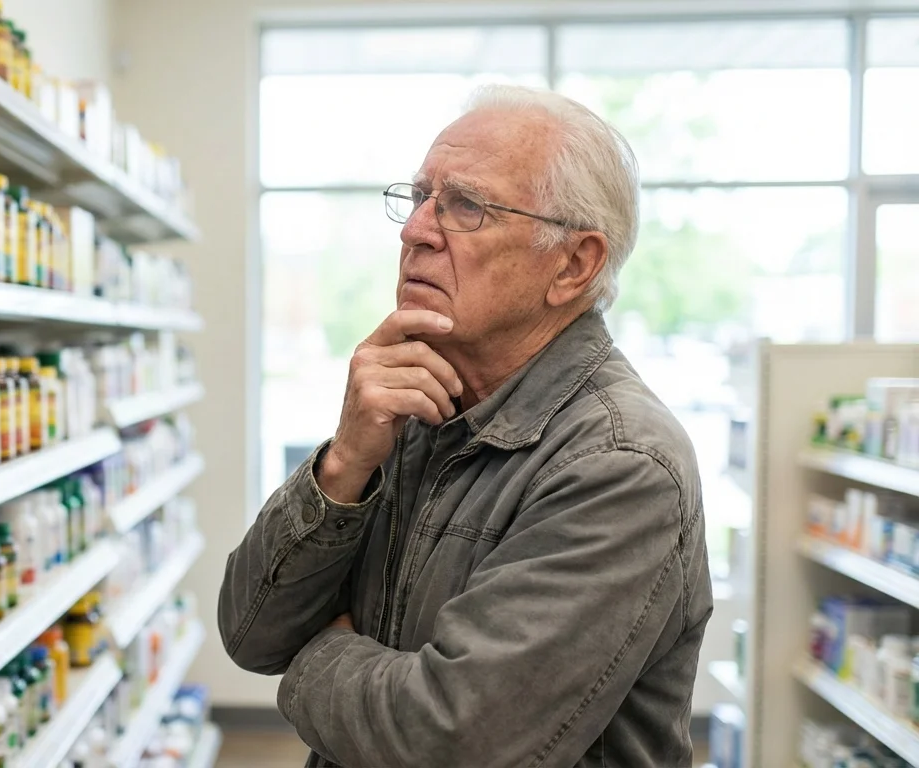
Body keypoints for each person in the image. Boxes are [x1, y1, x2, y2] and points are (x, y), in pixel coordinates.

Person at [219, 84, 711, 768]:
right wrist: (343, 466)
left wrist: (315, 656)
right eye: (420, 196)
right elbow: (250, 632)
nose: (416, 229)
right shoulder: (408, 406)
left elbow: (453, 740)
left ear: (574, 264)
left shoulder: (618, 463)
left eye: (466, 206)